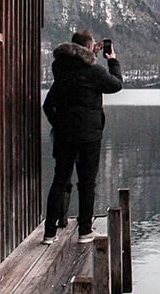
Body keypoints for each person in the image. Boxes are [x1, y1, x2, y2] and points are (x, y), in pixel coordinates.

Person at [42, 29, 123, 244]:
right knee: (86, 183)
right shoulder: (93, 71)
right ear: (88, 47)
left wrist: (59, 125)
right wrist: (112, 61)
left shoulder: (61, 72)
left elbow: (48, 105)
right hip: (89, 137)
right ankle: (85, 231)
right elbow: (116, 84)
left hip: (64, 136)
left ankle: (49, 233)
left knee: (59, 181)